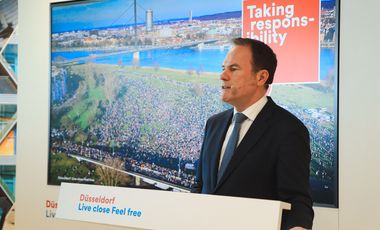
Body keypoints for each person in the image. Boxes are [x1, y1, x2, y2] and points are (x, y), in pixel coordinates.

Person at [191, 38, 314, 230]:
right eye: (223, 68)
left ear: (261, 77)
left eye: (233, 69)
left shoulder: (289, 130)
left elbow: (297, 201)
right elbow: (200, 186)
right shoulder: (213, 124)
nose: (222, 76)